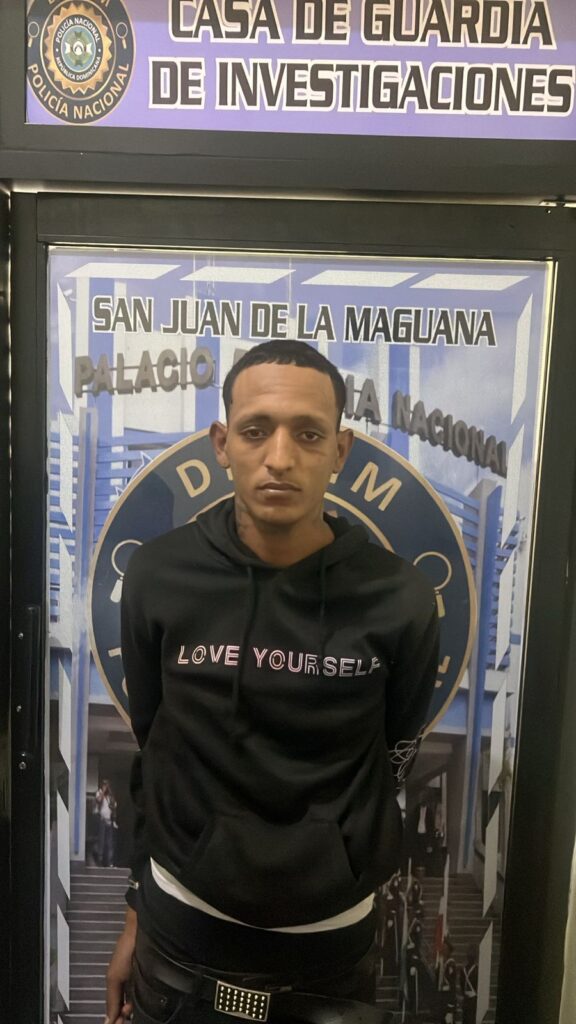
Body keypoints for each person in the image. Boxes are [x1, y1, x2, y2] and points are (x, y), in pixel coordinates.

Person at [104, 339, 439, 1024]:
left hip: (332, 950)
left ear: (340, 450)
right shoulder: (159, 575)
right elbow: (155, 744)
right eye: (256, 430)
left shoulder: (399, 596)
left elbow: (396, 750)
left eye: (308, 434)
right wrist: (136, 915)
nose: (280, 458)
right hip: (180, 933)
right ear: (222, 444)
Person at [95, 778, 117, 868]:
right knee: (101, 841)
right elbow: (98, 800)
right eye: (104, 785)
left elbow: (114, 806)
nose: (105, 787)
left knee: (109, 842)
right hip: (102, 820)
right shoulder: (99, 793)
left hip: (109, 821)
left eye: (107, 785)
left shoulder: (110, 796)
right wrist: (103, 792)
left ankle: (110, 862)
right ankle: (99, 861)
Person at [460, 945, 478, 1024]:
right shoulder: (476, 970)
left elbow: (462, 984)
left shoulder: (465, 969)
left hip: (470, 998)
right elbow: (461, 983)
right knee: (467, 1019)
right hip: (470, 999)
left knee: (469, 1019)